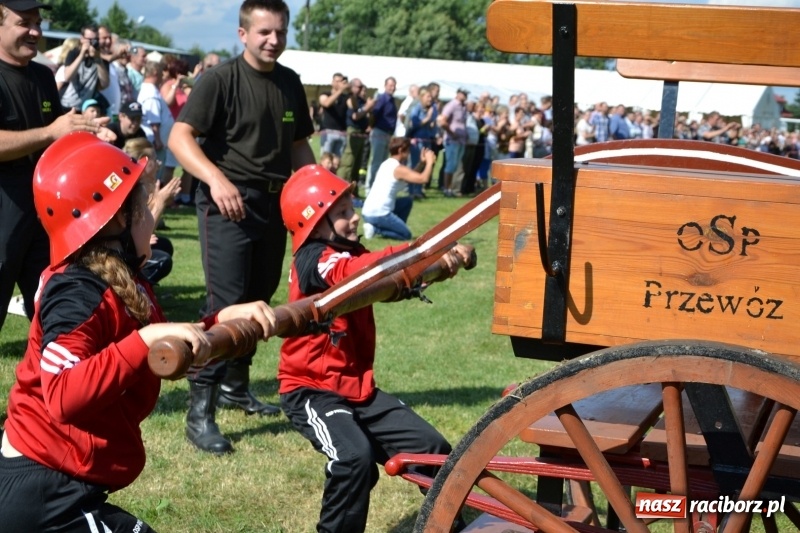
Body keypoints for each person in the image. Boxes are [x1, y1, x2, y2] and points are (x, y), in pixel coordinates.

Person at [0, 132, 277, 532]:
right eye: (145, 207)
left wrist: (221, 322)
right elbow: (61, 393)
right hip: (41, 493)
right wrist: (144, 340)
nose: (153, 216)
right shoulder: (76, 291)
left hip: (67, 480)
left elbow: (158, 346)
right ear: (116, 219)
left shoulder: (120, 279)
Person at [278, 165, 470, 533]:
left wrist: (426, 270)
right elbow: (355, 274)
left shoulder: (348, 251)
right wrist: (423, 252)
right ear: (316, 224)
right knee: (354, 459)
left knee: (432, 447)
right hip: (311, 390)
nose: (354, 218)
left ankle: (450, 525)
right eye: (344, 213)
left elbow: (380, 280)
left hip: (356, 388)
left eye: (352, 209)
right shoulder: (315, 259)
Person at [168, 0, 316, 454]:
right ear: (243, 34)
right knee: (226, 306)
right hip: (228, 205)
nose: (273, 40)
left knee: (259, 300)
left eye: (280, 32)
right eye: (264, 32)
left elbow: (299, 147)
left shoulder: (290, 83)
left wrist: (317, 196)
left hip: (275, 206)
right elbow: (179, 136)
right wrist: (215, 179)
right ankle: (200, 412)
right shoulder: (219, 80)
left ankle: (236, 387)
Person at [0, 0, 115, 331]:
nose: (36, 31)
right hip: (4, 209)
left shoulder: (42, 76)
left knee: (52, 298)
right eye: (25, 23)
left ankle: (56, 367)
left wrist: (90, 134)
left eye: (38, 22)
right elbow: (48, 132)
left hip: (44, 210)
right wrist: (51, 132)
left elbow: (57, 137)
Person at [122, 137, 181, 285]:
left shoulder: (143, 186)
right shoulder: (130, 188)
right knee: (162, 260)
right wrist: (160, 203)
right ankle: (135, 291)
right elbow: (134, 236)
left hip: (127, 242)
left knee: (163, 244)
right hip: (121, 250)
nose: (159, 164)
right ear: (144, 161)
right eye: (155, 159)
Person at [361, 137, 436, 240]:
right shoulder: (398, 168)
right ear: (400, 150)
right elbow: (424, 179)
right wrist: (429, 162)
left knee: (407, 201)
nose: (409, 153)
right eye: (408, 150)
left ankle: (395, 227)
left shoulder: (387, 164)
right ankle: (375, 229)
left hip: (368, 211)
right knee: (406, 235)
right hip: (378, 214)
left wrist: (422, 163)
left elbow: (410, 177)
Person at [56, 24, 109, 112]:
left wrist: (97, 59)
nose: (92, 43)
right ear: (82, 38)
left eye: (95, 40)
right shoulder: (74, 53)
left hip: (85, 108)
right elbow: (67, 77)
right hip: (64, 104)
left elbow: (104, 84)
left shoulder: (101, 59)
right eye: (89, 40)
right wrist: (82, 55)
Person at [364, 76, 397, 193]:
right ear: (385, 86)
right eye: (390, 85)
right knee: (376, 162)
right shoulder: (382, 98)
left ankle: (377, 187)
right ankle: (369, 188)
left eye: (394, 85)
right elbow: (374, 114)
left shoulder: (392, 100)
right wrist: (371, 126)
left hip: (387, 134)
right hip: (379, 132)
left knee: (383, 163)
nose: (392, 88)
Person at [437, 87, 469, 197]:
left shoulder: (463, 107)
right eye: (463, 93)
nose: (465, 96)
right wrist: (451, 133)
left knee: (455, 165)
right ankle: (446, 188)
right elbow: (442, 121)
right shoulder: (452, 105)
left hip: (461, 141)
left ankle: (450, 188)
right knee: (450, 165)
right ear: (458, 93)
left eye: (466, 94)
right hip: (452, 140)